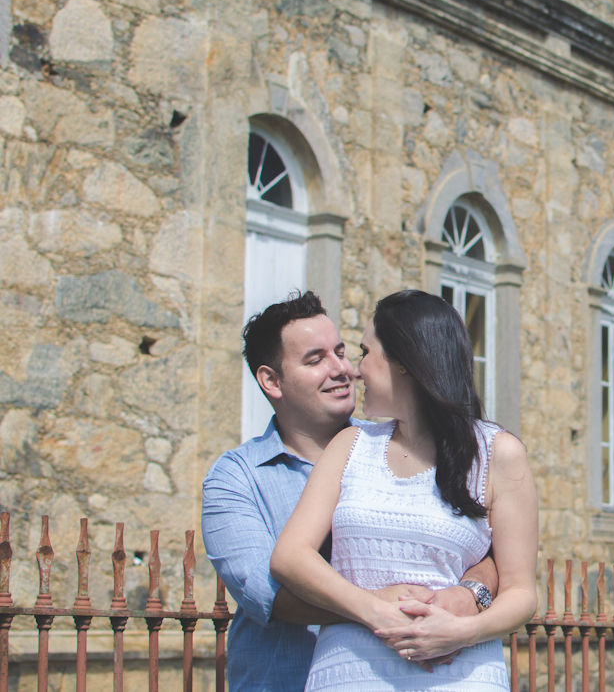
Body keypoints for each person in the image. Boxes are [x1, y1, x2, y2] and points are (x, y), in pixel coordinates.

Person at [202, 291, 498, 692]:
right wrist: (381, 609)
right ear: (272, 380)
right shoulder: (237, 479)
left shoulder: (413, 445)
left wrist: (470, 594)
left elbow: (488, 549)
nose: (343, 369)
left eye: (342, 351)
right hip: (282, 681)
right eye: (315, 359)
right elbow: (269, 595)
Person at [270, 290, 539, 691]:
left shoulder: (498, 454)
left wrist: (463, 632)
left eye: (364, 352)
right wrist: (374, 609)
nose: (355, 370)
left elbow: (521, 592)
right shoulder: (350, 446)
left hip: (459, 677)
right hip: (348, 676)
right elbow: (290, 557)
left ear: (403, 363)